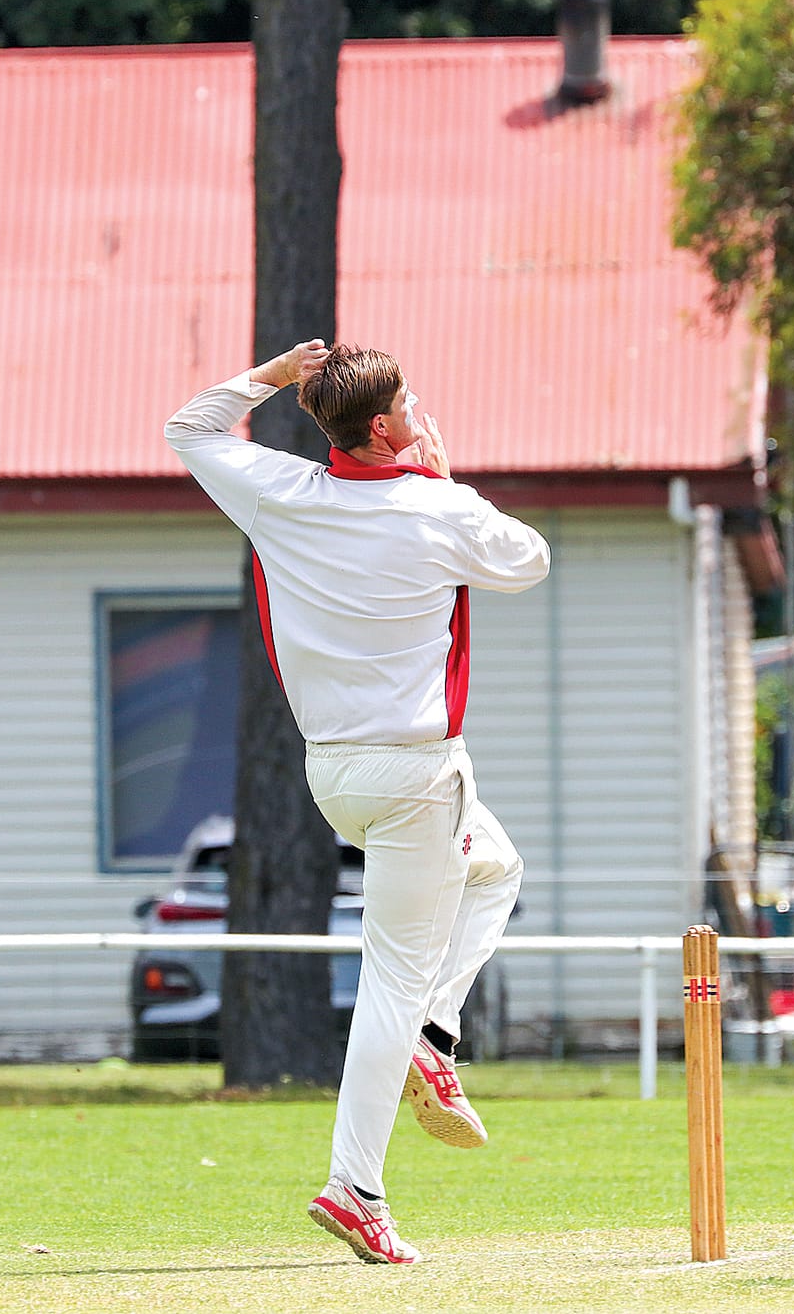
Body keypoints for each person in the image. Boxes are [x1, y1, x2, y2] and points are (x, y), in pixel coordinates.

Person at [165, 339, 549, 1264]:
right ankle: (356, 1187)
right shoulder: (436, 504)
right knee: (391, 980)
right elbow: (529, 559)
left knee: (496, 868)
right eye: (410, 402)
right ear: (383, 427)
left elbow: (189, 427)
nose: (421, 407)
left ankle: (435, 1033)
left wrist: (272, 376)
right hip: (418, 773)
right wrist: (448, 480)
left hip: (335, 772)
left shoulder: (281, 492)